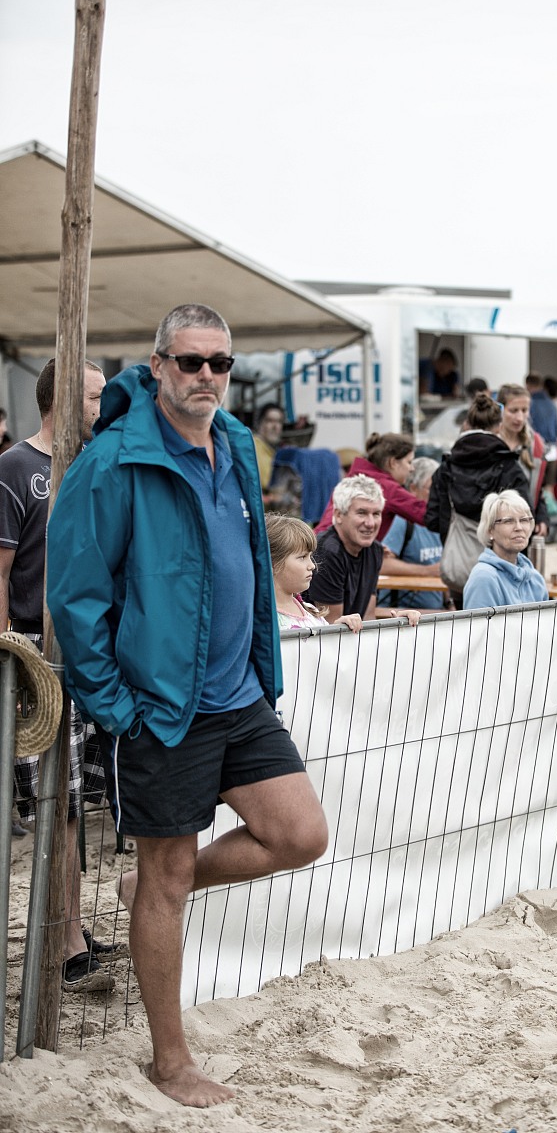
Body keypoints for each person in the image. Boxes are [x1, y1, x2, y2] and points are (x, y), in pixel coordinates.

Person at [47, 304, 329, 1108]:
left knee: (300, 834)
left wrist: (263, 664)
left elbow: (249, 561)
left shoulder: (232, 441)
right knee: (164, 874)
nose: (206, 375)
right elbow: (74, 598)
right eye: (190, 360)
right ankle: (170, 1062)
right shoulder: (113, 462)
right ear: (159, 364)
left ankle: (152, 894)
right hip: (159, 708)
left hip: (240, 696)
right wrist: (117, 706)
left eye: (220, 363)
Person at [0, 357, 121, 991]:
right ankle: (65, 941)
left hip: (84, 654)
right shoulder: (17, 468)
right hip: (34, 657)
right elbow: (1, 573)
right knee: (55, 804)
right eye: (95, 396)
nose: (103, 406)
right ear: (64, 398)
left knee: (74, 804)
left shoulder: (91, 466)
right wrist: (10, 659)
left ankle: (68, 926)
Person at [426, 394, 530, 606]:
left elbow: (432, 519)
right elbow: (526, 516)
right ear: (499, 426)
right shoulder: (509, 466)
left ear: (466, 424)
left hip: (459, 567)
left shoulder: (446, 467)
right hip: (504, 568)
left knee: (465, 621)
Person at [309, 475, 421, 625]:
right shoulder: (327, 552)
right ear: (338, 515)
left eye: (376, 514)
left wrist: (398, 621)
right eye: (361, 513)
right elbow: (331, 628)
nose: (370, 523)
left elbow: (368, 617)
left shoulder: (374, 550)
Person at [315, 432, 426, 541]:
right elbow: (427, 515)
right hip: (334, 549)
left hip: (317, 543)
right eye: (409, 462)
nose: (412, 469)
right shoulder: (387, 487)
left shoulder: (352, 478)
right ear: (393, 462)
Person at [267, 514, 362, 632]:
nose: (312, 566)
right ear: (273, 563)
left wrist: (338, 629)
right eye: (302, 557)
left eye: (310, 556)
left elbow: (323, 642)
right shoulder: (264, 621)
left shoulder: (311, 610)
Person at [378, 457, 445, 610]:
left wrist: (449, 602)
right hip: (400, 615)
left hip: (436, 613)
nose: (439, 494)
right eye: (433, 488)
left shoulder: (440, 520)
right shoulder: (401, 520)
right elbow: (382, 564)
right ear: (413, 489)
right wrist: (426, 571)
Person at [463, 491, 549, 610]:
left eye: (524, 520)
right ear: (490, 530)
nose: (519, 527)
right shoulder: (484, 578)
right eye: (508, 521)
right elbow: (479, 623)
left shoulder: (535, 579)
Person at [496, 382, 548, 535]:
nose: (519, 417)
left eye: (524, 410)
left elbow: (538, 489)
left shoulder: (535, 445)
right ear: (500, 409)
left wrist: (542, 517)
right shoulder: (489, 442)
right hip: (494, 528)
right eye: (513, 411)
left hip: (524, 529)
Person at [252, 401, 284, 495]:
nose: (275, 426)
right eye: (270, 421)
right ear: (259, 423)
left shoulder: (273, 451)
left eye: (279, 421)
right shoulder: (252, 448)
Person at [525, 372, 557, 449]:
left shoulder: (530, 403)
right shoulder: (552, 404)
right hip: (552, 447)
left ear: (528, 385)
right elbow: (556, 428)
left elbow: (529, 427)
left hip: (536, 447)